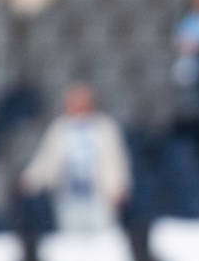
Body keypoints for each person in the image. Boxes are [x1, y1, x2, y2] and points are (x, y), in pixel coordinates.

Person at [21, 84, 131, 232]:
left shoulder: (105, 127)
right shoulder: (60, 127)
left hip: (98, 194)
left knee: (103, 236)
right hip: (68, 193)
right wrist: (32, 178)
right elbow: (47, 157)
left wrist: (118, 186)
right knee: (71, 236)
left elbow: (116, 159)